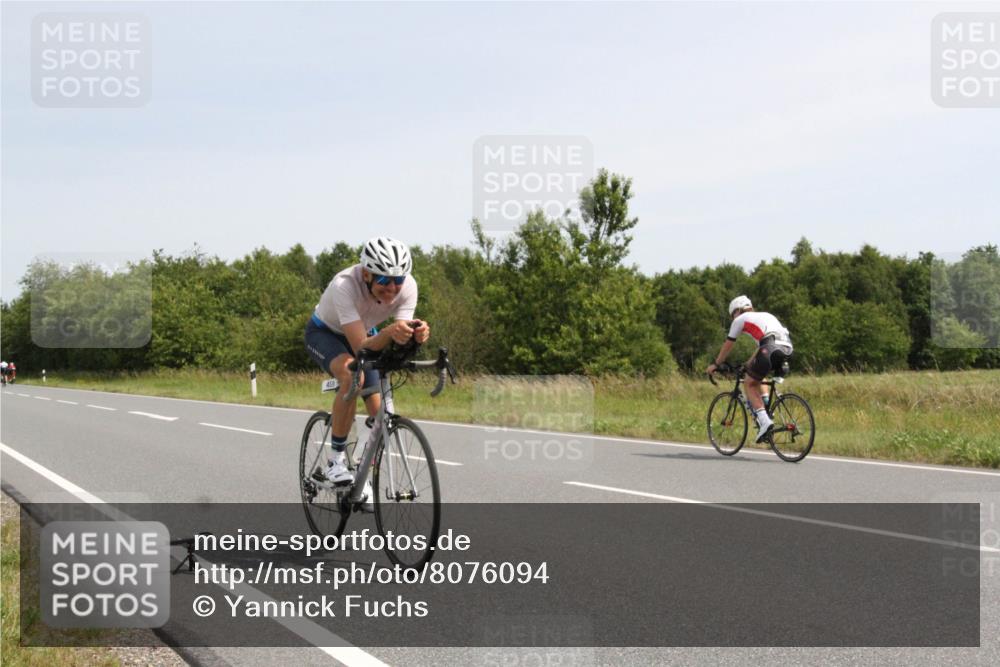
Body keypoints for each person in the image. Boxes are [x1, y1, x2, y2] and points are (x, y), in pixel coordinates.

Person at [304, 237, 430, 509]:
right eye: (384, 281)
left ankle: (363, 477)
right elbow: (361, 346)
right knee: (352, 377)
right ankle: (335, 462)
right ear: (366, 274)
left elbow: (397, 336)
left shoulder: (408, 288)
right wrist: (388, 334)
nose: (393, 288)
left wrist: (416, 337)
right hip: (326, 333)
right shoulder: (344, 286)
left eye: (398, 279)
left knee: (378, 414)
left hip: (366, 332)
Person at [706, 296, 793, 443]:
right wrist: (748, 364)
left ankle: (765, 422)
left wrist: (715, 364)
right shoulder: (765, 316)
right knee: (758, 375)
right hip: (787, 349)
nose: (733, 318)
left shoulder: (740, 319)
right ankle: (766, 405)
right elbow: (762, 346)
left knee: (749, 384)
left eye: (733, 314)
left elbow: (728, 345)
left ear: (738, 310)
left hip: (770, 348)